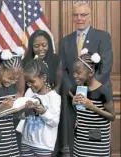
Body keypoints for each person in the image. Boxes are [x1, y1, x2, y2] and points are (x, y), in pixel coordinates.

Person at [59, 2, 114, 155]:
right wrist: (74, 92)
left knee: (97, 143)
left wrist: (89, 91)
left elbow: (106, 66)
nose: (79, 18)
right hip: (74, 98)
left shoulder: (102, 36)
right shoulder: (66, 41)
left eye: (83, 15)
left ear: (90, 16)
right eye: (76, 15)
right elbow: (63, 71)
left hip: (98, 99)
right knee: (78, 142)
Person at [71, 52, 115, 157]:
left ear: (90, 73)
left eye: (78, 73)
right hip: (80, 143)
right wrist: (73, 104)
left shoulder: (103, 91)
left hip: (97, 146)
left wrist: (92, 107)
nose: (74, 75)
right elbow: (81, 112)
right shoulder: (79, 88)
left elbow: (112, 116)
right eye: (74, 72)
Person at [17, 59, 61, 157]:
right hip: (26, 141)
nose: (30, 85)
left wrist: (44, 111)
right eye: (27, 82)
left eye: (32, 81)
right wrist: (26, 111)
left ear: (44, 78)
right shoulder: (29, 92)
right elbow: (22, 117)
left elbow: (55, 122)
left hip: (44, 145)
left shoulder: (54, 97)